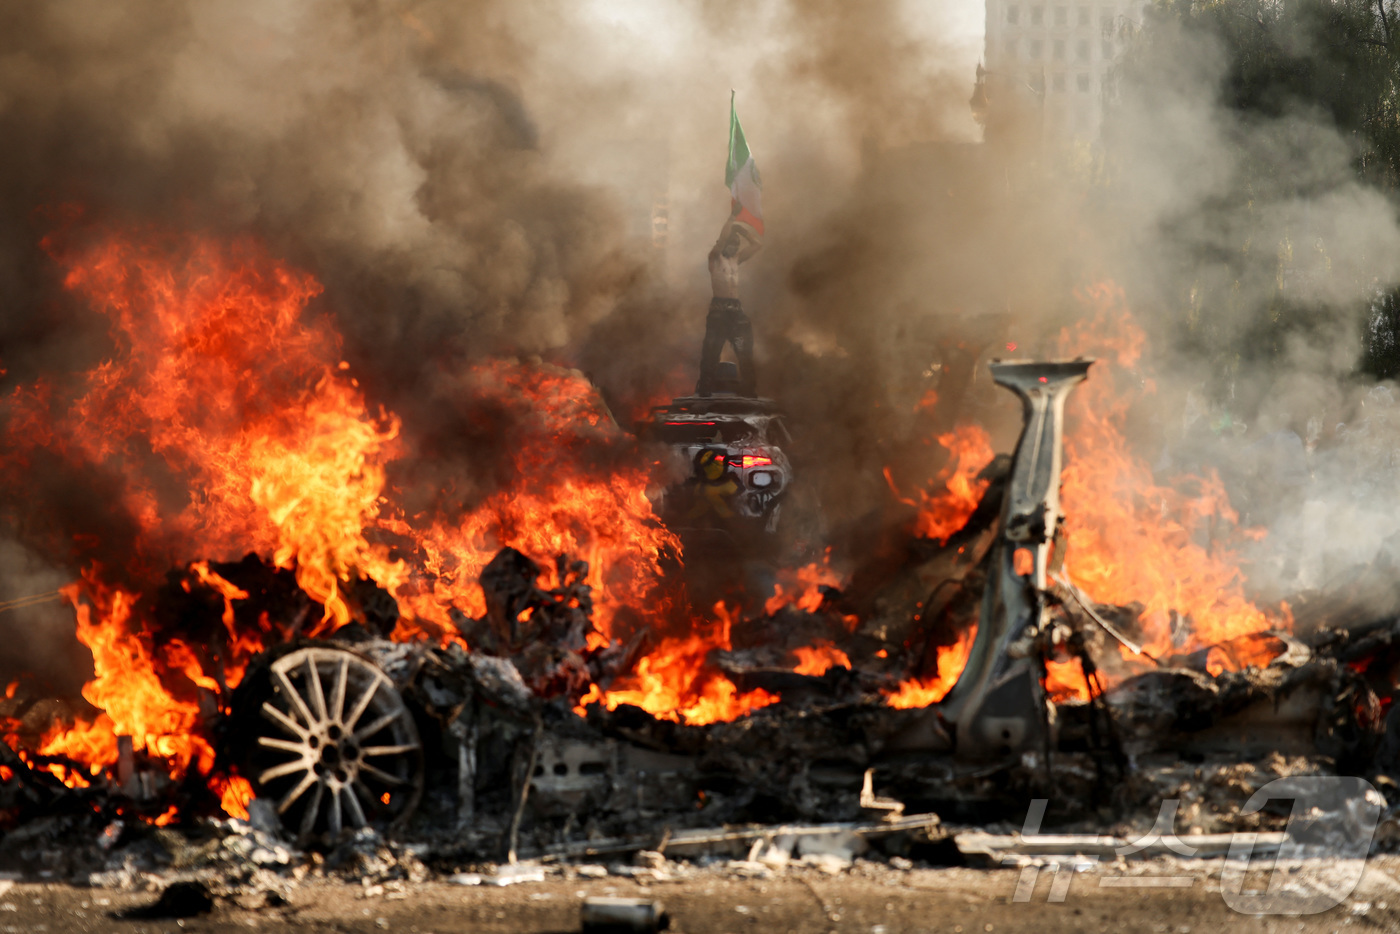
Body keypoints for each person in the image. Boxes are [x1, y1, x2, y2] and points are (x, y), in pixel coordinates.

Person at [697, 211, 762, 396]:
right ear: (725, 244)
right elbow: (720, 240)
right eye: (731, 244)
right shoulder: (715, 259)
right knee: (710, 355)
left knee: (745, 353)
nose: (734, 247)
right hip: (719, 313)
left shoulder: (736, 260)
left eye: (736, 245)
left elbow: (757, 244)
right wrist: (732, 219)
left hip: (736, 313)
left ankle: (749, 390)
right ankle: (704, 393)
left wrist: (742, 231)